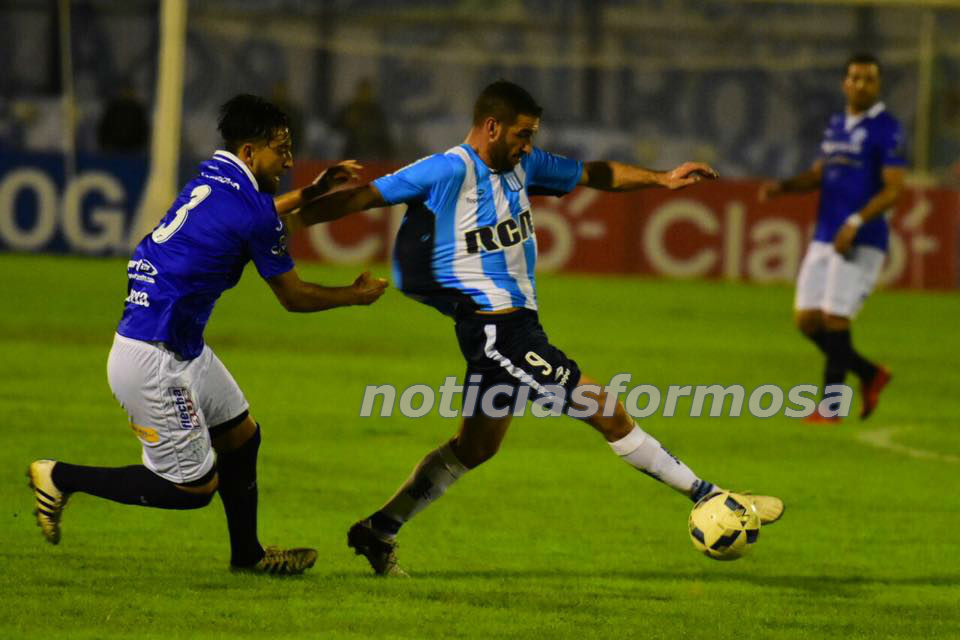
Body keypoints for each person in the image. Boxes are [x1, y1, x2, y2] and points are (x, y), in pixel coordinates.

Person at [285, 80, 784, 576]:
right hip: (496, 330)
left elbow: (596, 172)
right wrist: (286, 221)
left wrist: (662, 179)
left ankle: (379, 529)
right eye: (523, 135)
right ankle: (708, 494)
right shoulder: (446, 169)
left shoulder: (525, 166)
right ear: (492, 126)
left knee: (475, 449)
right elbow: (361, 199)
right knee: (603, 407)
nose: (529, 145)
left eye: (533, 136)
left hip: (519, 326)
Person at [27, 94, 387, 575]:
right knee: (191, 489)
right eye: (280, 148)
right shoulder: (252, 208)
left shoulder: (214, 177)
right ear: (248, 152)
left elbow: (253, 218)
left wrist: (309, 191)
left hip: (176, 342)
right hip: (154, 357)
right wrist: (353, 295)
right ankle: (59, 476)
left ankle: (249, 557)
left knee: (242, 436)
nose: (289, 159)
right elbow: (293, 297)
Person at [759, 53, 905, 424]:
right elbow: (820, 174)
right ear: (844, 83)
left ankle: (830, 407)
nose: (860, 85)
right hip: (825, 234)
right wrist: (783, 187)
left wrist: (856, 221)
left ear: (878, 85)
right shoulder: (837, 124)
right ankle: (871, 374)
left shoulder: (887, 128)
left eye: (868, 79)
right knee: (807, 320)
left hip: (861, 237)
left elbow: (893, 189)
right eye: (854, 78)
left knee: (836, 317)